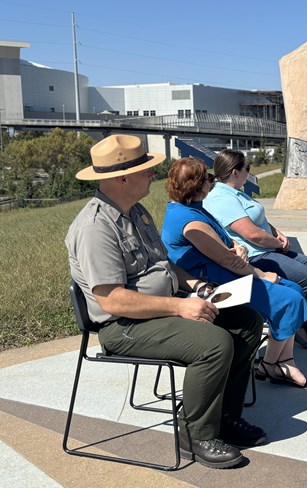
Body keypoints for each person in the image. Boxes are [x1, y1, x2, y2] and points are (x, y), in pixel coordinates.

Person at [65, 134, 266, 470]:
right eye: (145, 169)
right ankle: (194, 434)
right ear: (121, 178)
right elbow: (112, 300)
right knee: (214, 344)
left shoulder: (136, 212)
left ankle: (223, 417)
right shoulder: (95, 227)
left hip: (160, 309)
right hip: (123, 327)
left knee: (246, 323)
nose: (153, 175)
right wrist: (180, 307)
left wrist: (197, 287)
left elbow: (164, 265)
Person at [160, 157, 307, 389]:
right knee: (289, 297)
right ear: (197, 184)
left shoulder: (191, 209)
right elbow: (226, 259)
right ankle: (276, 363)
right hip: (215, 284)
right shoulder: (190, 222)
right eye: (208, 178)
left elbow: (225, 242)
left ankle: (278, 361)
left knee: (292, 289)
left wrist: (238, 245)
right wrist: (261, 274)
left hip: (224, 274)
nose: (211, 183)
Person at [205, 149, 307, 350]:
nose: (249, 172)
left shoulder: (237, 192)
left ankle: (304, 322)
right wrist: (278, 243)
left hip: (267, 248)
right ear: (234, 172)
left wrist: (277, 232)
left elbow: (259, 220)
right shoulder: (222, 198)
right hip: (256, 255)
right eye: (247, 168)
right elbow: (252, 234)